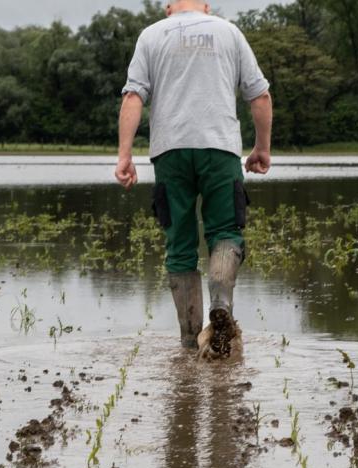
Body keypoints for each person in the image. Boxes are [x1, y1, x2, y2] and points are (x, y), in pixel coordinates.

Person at [115, 0, 273, 356]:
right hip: (219, 149)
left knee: (181, 246)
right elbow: (260, 96)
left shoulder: (151, 35)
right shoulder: (229, 32)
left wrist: (125, 155)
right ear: (206, 6)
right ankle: (221, 305)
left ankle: (189, 344)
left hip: (169, 152)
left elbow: (132, 96)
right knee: (225, 233)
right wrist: (261, 149)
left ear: (169, 7)